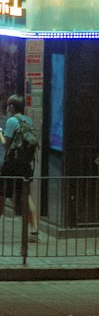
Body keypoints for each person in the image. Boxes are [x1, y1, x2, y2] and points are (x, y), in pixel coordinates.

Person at [1, 94, 38, 237]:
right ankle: (35, 229)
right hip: (25, 164)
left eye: (9, 105)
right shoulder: (27, 120)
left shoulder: (12, 120)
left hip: (11, 164)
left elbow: (6, 144)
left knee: (1, 194)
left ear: (12, 106)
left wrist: (0, 134)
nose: (7, 107)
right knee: (26, 196)